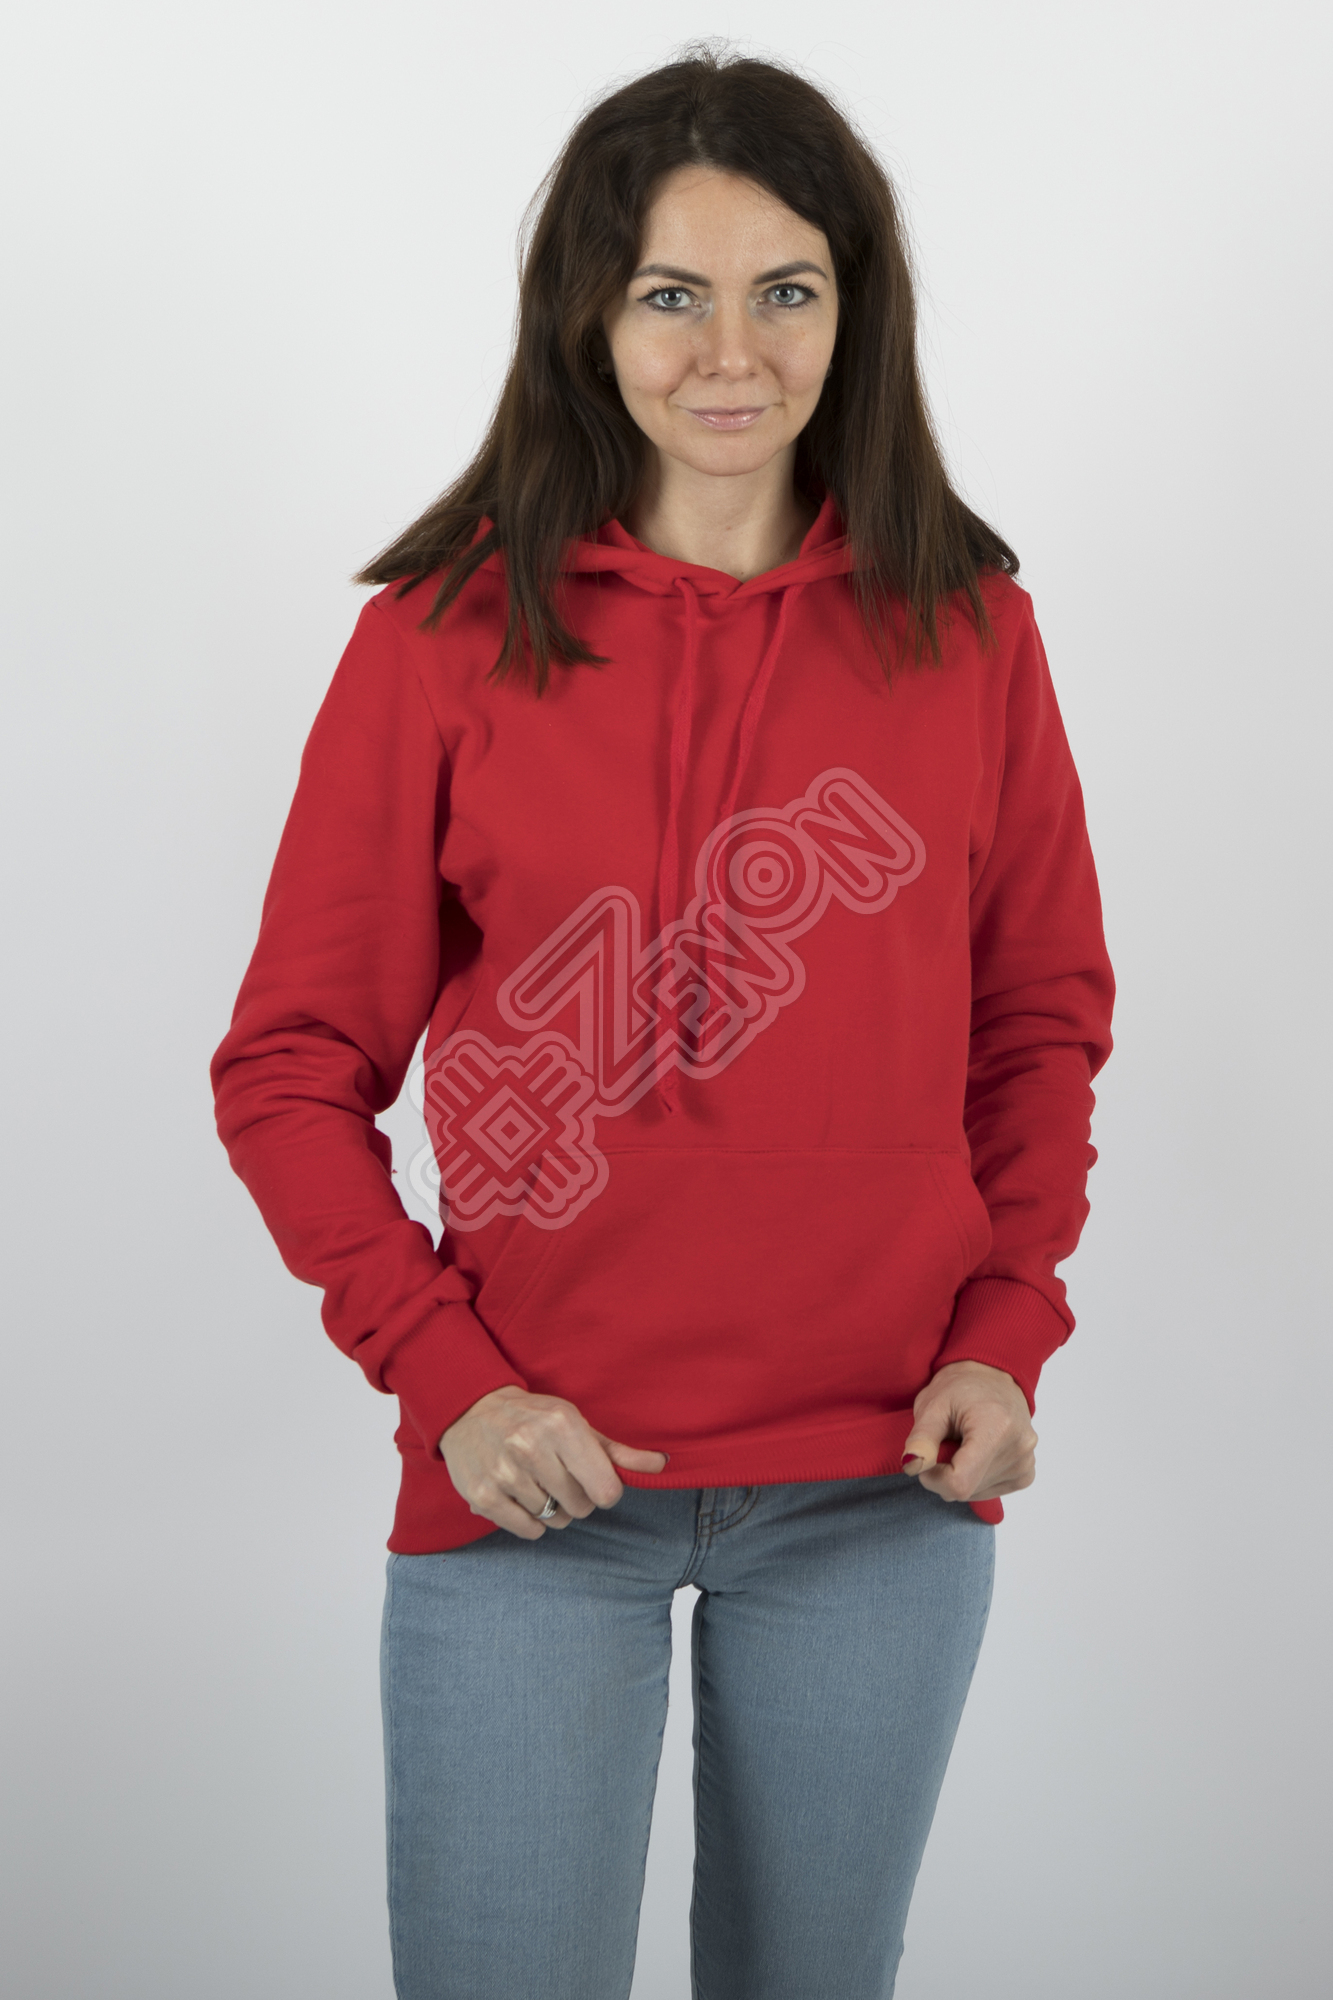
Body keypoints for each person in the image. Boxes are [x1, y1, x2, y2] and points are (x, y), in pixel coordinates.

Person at [210, 47, 1114, 2000]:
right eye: (669, 293)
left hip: (882, 1482)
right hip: (533, 1485)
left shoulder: (971, 632)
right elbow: (289, 1070)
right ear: (587, 320)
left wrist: (1004, 1331)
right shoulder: (443, 639)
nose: (731, 351)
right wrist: (451, 1380)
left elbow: (1036, 1028)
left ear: (853, 310)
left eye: (785, 288)